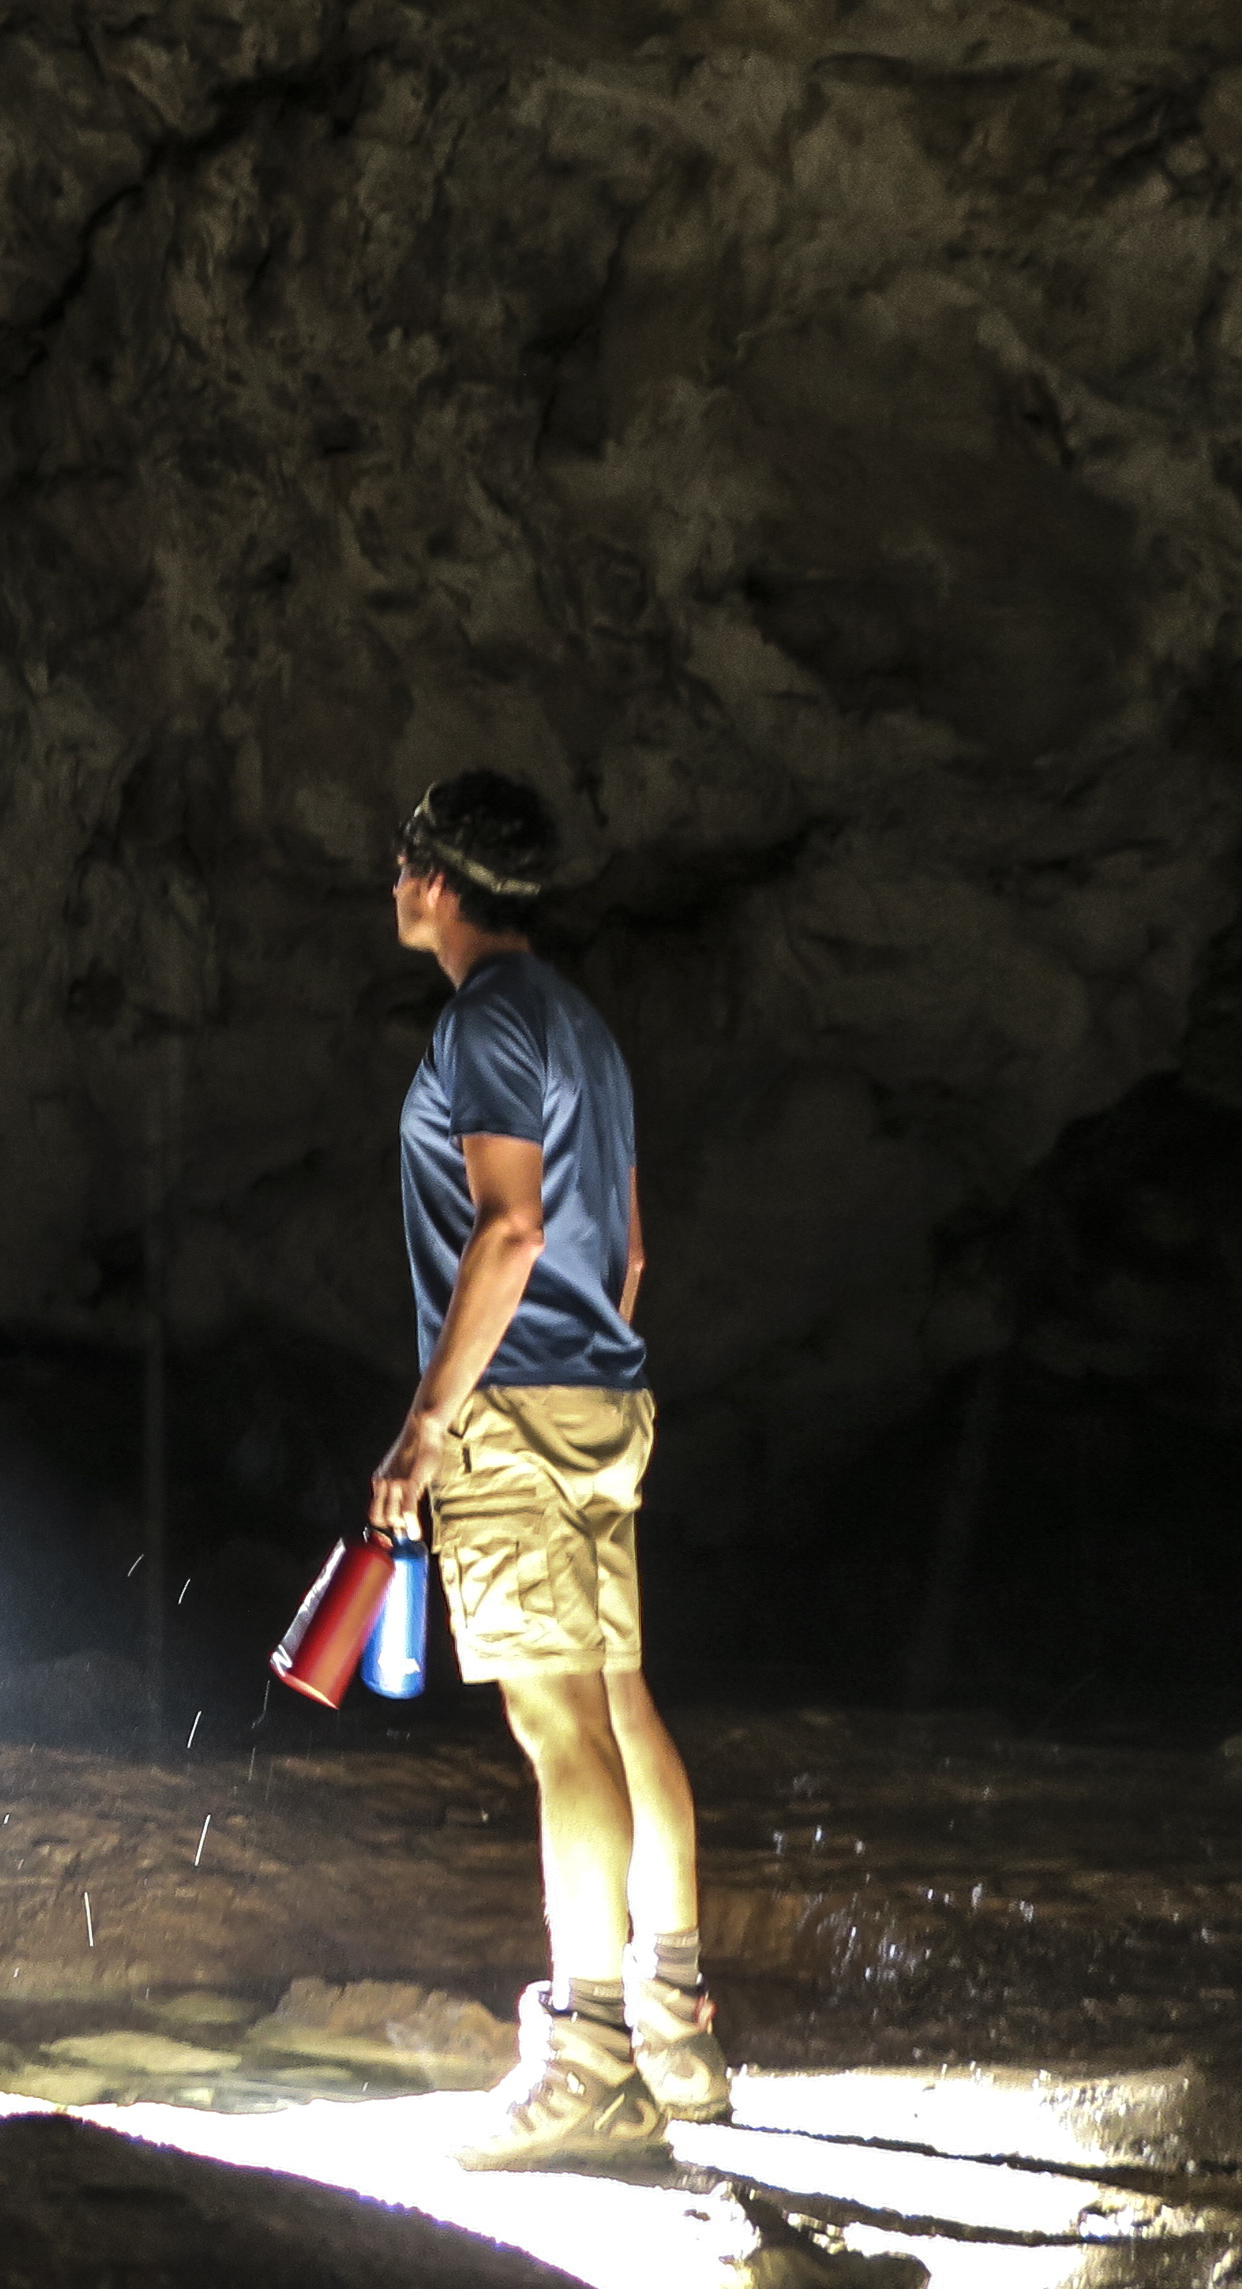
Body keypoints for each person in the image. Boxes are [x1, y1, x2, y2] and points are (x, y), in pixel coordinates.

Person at [361, 771, 725, 2167]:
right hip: (602, 1399)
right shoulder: (583, 1024)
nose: (391, 882)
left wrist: (432, 1421)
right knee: (620, 1702)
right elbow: (624, 1250)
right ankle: (674, 2026)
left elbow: (509, 1233)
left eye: (402, 860)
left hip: (519, 1408)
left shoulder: (489, 1023)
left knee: (557, 1728)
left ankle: (588, 2057)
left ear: (439, 880)